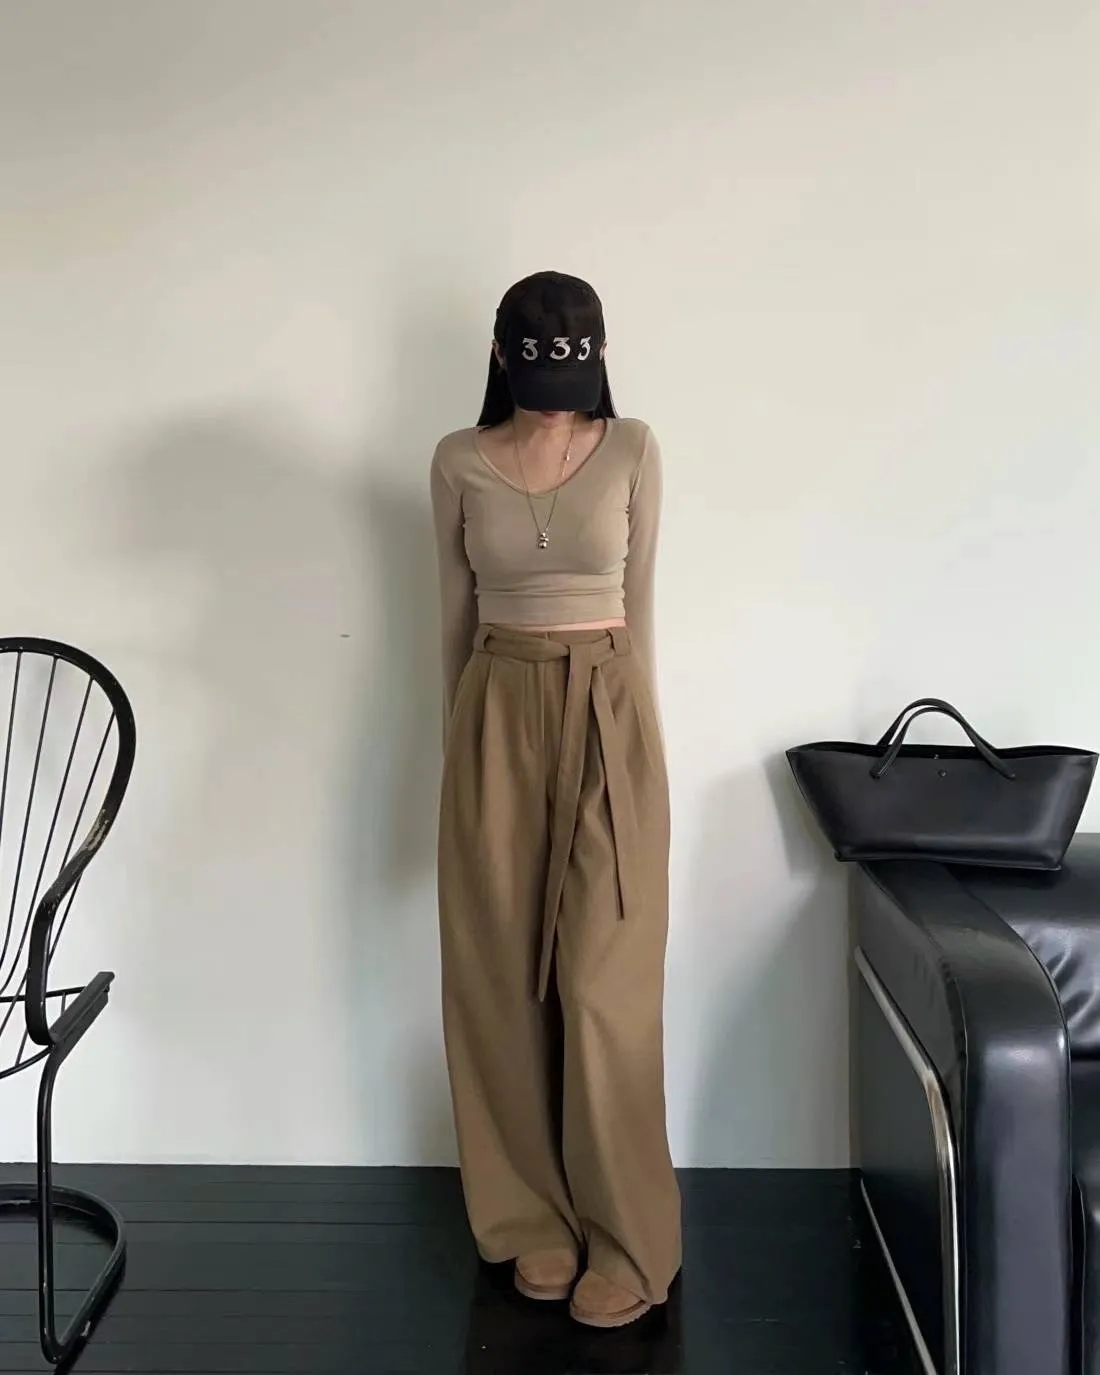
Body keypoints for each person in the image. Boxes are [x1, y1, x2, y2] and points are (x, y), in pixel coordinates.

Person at [430, 271, 680, 1330]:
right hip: (495, 703)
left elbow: (641, 605)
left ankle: (628, 1234)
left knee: (600, 983)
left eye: (570, 373)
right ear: (501, 357)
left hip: (606, 705)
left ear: (598, 357)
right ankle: (527, 1216)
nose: (552, 400)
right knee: (495, 975)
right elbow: (451, 615)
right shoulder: (456, 459)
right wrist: (457, 757)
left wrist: (640, 757)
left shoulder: (632, 449)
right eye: (534, 373)